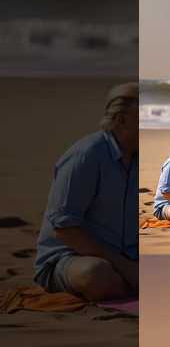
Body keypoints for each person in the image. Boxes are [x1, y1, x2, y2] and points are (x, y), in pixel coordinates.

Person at [34, 83, 139, 302]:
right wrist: (127, 268)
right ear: (121, 119)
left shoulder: (138, 157)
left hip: (126, 256)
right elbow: (65, 228)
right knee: (95, 274)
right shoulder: (87, 155)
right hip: (73, 257)